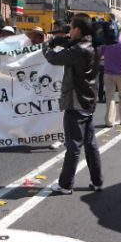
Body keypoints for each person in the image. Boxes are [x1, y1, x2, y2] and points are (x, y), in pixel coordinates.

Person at [42, 14, 103, 195]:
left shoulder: (79, 50)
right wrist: (59, 40)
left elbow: (54, 58)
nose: (69, 31)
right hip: (88, 101)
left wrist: (46, 45)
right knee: (90, 145)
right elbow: (70, 44)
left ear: (77, 29)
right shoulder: (92, 45)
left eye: (71, 27)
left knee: (73, 146)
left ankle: (66, 184)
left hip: (76, 101)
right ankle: (97, 181)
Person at [100, 29, 121, 126]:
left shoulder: (106, 42)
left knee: (109, 97)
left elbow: (99, 55)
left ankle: (109, 121)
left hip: (108, 72)